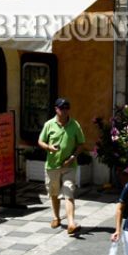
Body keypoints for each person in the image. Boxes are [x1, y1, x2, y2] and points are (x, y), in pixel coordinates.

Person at [38, 97, 86, 236]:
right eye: (61, 108)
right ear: (56, 109)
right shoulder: (49, 124)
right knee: (54, 192)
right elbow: (40, 141)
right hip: (52, 165)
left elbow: (81, 144)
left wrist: (73, 157)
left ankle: (71, 223)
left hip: (69, 165)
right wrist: (49, 148)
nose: (64, 111)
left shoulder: (74, 125)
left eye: (66, 108)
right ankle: (56, 217)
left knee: (68, 192)